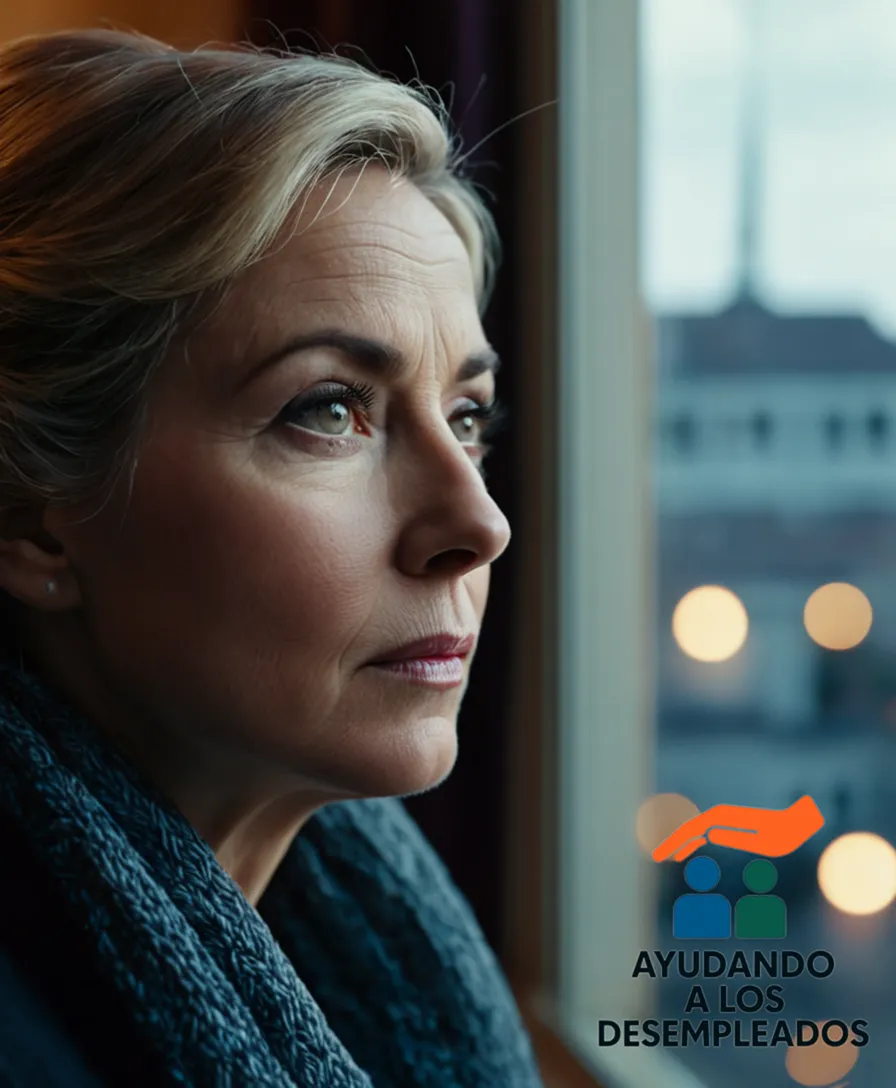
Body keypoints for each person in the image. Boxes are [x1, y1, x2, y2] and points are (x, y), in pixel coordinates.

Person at [0, 26, 542, 1087]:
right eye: (329, 408)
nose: (477, 523)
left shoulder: (367, 961)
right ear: (31, 513)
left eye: (465, 414)